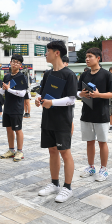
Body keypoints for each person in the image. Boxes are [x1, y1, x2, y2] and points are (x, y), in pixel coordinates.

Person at [36, 41, 77, 203]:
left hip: (62, 121)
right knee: (52, 151)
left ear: (57, 53)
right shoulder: (48, 74)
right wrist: (38, 100)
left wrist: (52, 103)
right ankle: (55, 183)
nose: (46, 54)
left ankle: (67, 187)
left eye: (48, 51)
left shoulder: (69, 74)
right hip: (48, 119)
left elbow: (71, 99)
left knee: (65, 153)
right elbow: (42, 93)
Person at [78, 48, 112, 182]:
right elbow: (78, 92)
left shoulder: (106, 75)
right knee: (89, 141)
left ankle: (104, 169)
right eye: (86, 57)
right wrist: (82, 94)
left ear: (98, 58)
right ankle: (91, 167)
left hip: (101, 114)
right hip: (87, 112)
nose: (87, 59)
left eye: (90, 56)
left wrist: (99, 95)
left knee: (102, 142)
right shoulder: (84, 75)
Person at [0, 54, 28, 162]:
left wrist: (8, 89)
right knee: (9, 129)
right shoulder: (7, 76)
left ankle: (19, 151)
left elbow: (22, 94)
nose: (15, 63)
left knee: (18, 129)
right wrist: (3, 89)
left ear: (20, 65)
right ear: (10, 62)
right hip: (7, 107)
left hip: (17, 108)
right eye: (13, 61)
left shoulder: (22, 77)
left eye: (18, 62)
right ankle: (11, 150)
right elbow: (2, 92)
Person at [63, 55, 75, 135]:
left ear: (67, 64)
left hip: (68, 102)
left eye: (63, 62)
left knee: (70, 120)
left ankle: (69, 136)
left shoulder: (70, 74)